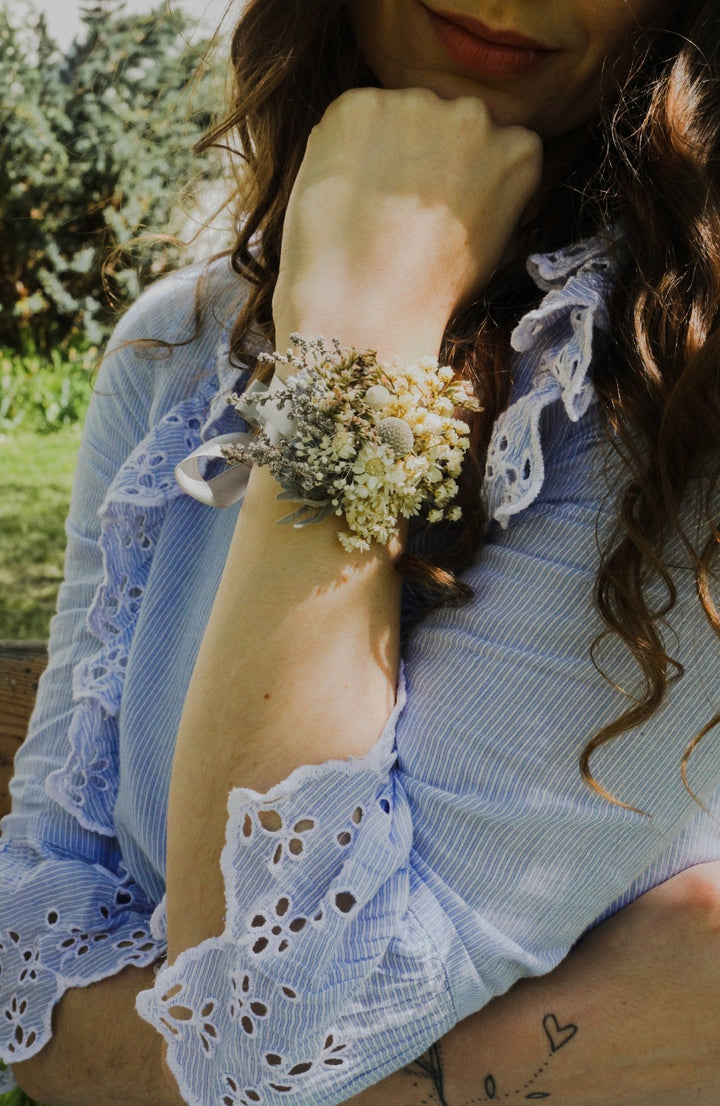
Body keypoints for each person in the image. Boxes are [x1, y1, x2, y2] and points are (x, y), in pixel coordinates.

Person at [2, 1, 720, 1104]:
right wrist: (362, 325)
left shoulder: (677, 399)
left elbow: (269, 1016)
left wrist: (350, 358)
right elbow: (24, 941)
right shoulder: (180, 346)